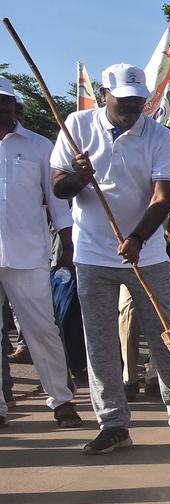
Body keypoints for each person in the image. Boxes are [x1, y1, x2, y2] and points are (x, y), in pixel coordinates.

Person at [50, 63, 170, 453]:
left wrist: (139, 236)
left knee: (165, 336)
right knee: (100, 343)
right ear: (105, 93)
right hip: (92, 254)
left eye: (138, 101)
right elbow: (59, 187)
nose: (132, 107)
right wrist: (82, 177)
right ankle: (113, 423)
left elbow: (162, 197)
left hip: (147, 253)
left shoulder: (159, 134)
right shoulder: (76, 124)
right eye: (124, 100)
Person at [0, 76, 82, 429]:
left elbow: (58, 202)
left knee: (43, 330)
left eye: (3, 101)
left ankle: (61, 401)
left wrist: (67, 244)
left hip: (29, 254)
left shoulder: (38, 146)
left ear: (15, 105)